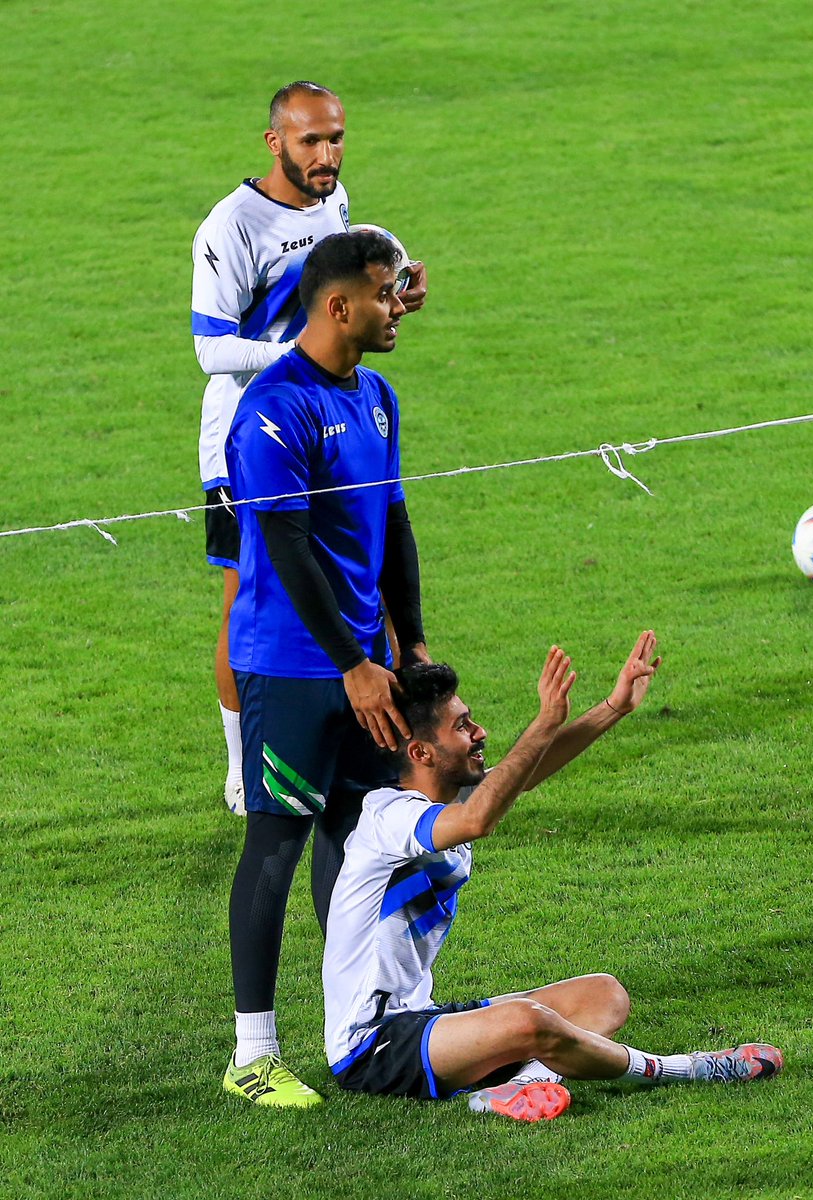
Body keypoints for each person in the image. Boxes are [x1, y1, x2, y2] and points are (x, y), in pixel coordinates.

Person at [321, 633, 784, 1121]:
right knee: (529, 1022)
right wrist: (542, 722)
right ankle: (688, 1069)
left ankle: (519, 1085)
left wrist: (613, 706)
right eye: (462, 726)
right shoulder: (387, 817)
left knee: (602, 994)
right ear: (422, 753)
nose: (479, 732)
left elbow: (522, 775)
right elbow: (480, 818)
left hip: (425, 1019)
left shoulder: (446, 803)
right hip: (371, 1043)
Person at [221, 229, 429, 1108]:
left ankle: (364, 1019)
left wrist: (409, 645)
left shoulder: (376, 395)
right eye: (386, 293)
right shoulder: (271, 409)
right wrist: (351, 662)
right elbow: (287, 541)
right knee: (277, 843)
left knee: (358, 842)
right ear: (339, 305)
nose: (400, 307)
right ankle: (252, 1055)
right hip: (296, 667)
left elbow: (395, 523)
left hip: (369, 668)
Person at [191, 80, 428, 815]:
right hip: (251, 437)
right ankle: (242, 765)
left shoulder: (336, 201)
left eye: (335, 139)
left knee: (360, 572)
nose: (326, 155)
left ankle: (375, 742)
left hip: (336, 427)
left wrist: (391, 295)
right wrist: (298, 356)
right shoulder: (229, 227)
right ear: (274, 143)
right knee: (246, 599)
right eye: (310, 142)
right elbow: (209, 350)